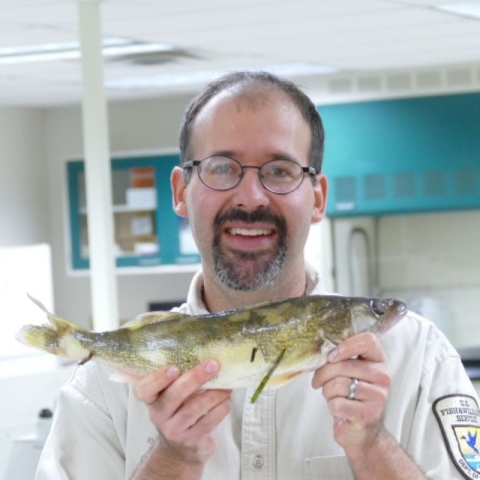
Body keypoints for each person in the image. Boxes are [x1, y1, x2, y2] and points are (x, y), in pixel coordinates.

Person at [36, 71, 480, 480]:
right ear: (180, 192)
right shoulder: (102, 387)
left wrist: (372, 445)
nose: (250, 196)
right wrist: (173, 459)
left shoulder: (418, 361)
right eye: (222, 168)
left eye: (280, 171)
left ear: (318, 198)